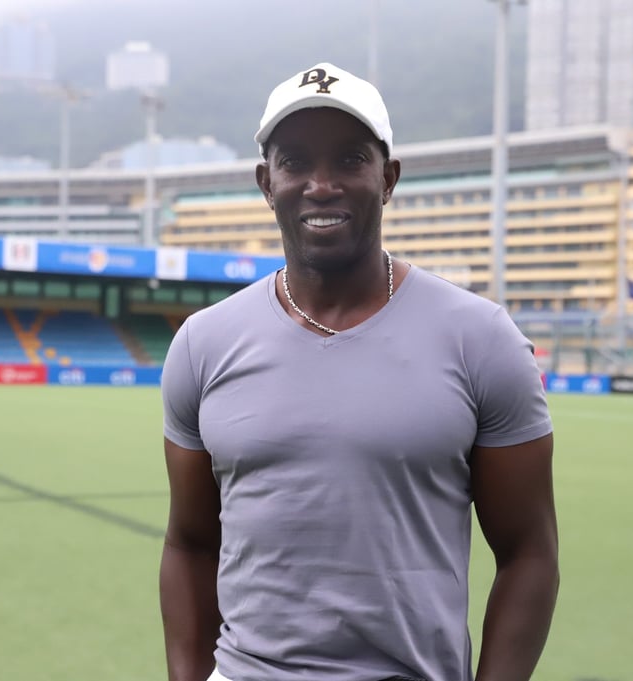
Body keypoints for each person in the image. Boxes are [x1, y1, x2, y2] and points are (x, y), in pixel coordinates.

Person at [160, 62, 558, 681]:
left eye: (350, 160)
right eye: (295, 162)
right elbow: (188, 544)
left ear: (388, 177)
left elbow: (530, 554)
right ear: (267, 182)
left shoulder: (481, 339)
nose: (321, 185)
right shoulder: (202, 344)